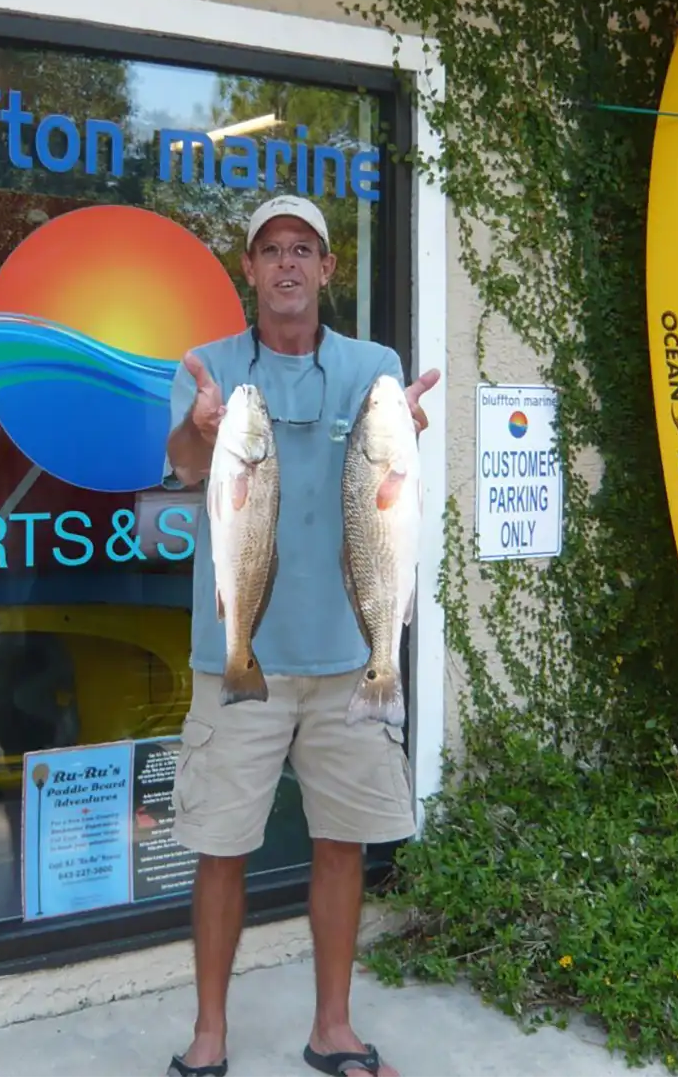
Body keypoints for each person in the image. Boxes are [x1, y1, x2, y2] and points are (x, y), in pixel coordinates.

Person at [161, 194, 440, 1077]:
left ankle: (333, 1028)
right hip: (237, 656)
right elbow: (186, 466)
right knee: (221, 850)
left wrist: (405, 436)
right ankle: (210, 1033)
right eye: (270, 250)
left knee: (342, 845)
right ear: (248, 270)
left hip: (353, 658)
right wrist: (201, 430)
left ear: (327, 270)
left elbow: (392, 476)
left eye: (303, 251)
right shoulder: (209, 368)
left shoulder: (375, 368)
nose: (286, 264)